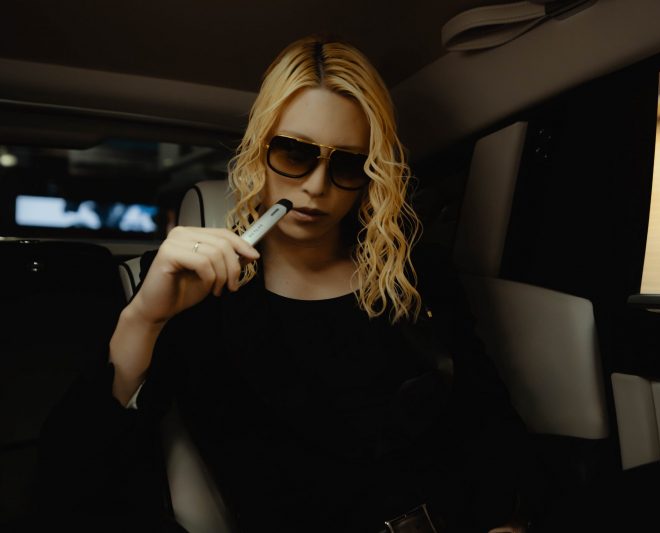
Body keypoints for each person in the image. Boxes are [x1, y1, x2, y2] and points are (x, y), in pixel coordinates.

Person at [32, 36, 531, 533]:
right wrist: (144, 317)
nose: (316, 186)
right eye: (295, 153)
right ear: (259, 148)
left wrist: (508, 524)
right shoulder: (199, 292)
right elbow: (69, 481)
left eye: (348, 163)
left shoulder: (415, 275)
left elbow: (488, 425)